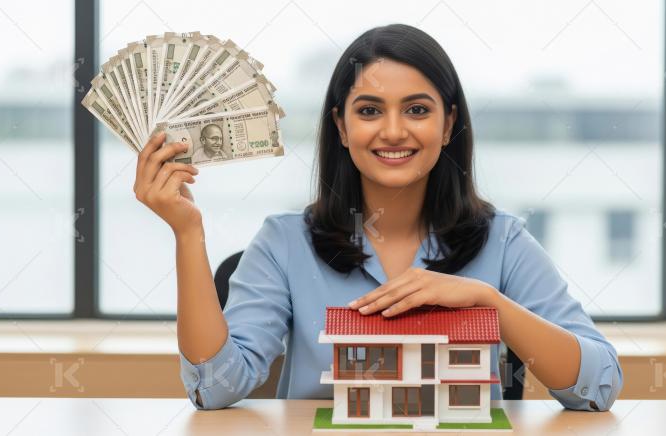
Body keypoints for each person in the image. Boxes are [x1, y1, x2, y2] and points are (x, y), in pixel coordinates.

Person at [133, 23, 623, 412]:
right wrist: (187, 232)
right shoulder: (283, 243)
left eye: (416, 110)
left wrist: (488, 301)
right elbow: (215, 388)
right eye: (369, 111)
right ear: (341, 127)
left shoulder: (504, 242)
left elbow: (598, 386)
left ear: (448, 124)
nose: (393, 131)